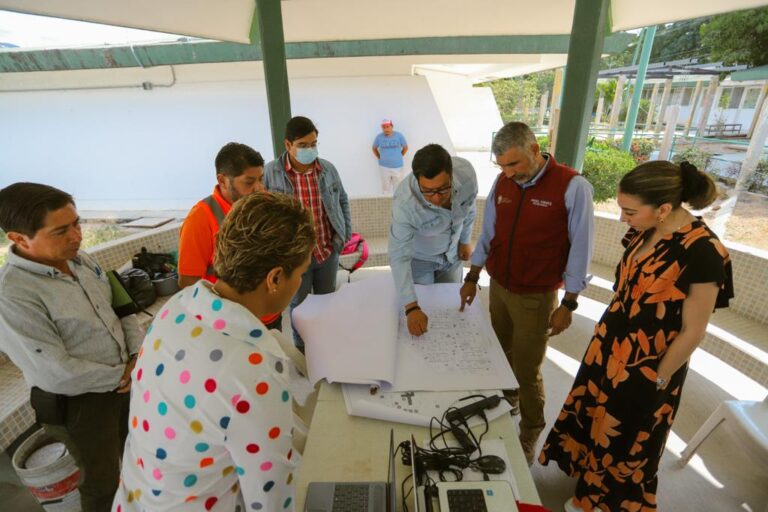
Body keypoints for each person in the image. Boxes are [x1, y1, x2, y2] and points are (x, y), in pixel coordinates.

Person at [539, 160, 734, 512]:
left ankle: (600, 501)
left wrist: (656, 378)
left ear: (662, 209)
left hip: (649, 363)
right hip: (610, 348)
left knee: (626, 436)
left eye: (629, 211)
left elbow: (694, 330)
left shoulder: (702, 251)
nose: (622, 219)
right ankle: (588, 480)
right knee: (596, 417)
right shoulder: (647, 230)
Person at [113, 192, 316, 512]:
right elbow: (270, 499)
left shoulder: (178, 307)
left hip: (139, 498)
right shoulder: (253, 371)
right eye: (301, 272)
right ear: (275, 278)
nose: (301, 280)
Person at [0, 182, 142, 512]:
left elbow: (121, 309)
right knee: (100, 481)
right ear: (20, 239)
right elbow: (56, 372)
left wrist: (136, 357)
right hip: (80, 404)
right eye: (61, 230)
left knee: (137, 454)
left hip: (124, 380)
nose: (76, 236)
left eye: (77, 223)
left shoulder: (82, 260)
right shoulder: (14, 294)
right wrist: (121, 374)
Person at [459, 121, 595, 464]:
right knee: (499, 351)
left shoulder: (572, 186)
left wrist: (570, 302)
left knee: (527, 368)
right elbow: (488, 230)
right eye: (502, 165)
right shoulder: (504, 181)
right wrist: (473, 276)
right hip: (500, 286)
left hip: (536, 294)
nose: (508, 172)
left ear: (535, 150)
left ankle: (531, 430)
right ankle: (509, 401)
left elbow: (581, 246)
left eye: (514, 164)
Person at [264, 116, 352, 351]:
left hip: (326, 252)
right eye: (302, 145)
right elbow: (263, 211)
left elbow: (342, 200)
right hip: (293, 258)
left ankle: (325, 346)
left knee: (326, 302)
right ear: (287, 145)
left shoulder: (327, 169)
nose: (309, 149)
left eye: (313, 144)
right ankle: (303, 350)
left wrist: (343, 235)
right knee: (300, 308)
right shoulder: (271, 172)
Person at [177, 142, 281, 330]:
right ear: (223, 180)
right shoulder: (200, 218)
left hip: (269, 315)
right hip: (230, 323)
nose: (259, 188)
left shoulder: (263, 204)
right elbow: (188, 282)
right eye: (249, 182)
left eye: (261, 179)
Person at [389, 143, 478, 336]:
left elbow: (470, 209)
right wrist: (412, 308)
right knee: (425, 312)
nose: (436, 198)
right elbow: (398, 256)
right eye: (427, 191)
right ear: (417, 180)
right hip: (420, 261)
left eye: (443, 189)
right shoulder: (405, 204)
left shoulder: (467, 175)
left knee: (452, 309)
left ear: (452, 174)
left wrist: (465, 240)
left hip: (452, 257)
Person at [372, 119, 409, 194]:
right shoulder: (379, 137)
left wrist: (400, 156)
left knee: (399, 187)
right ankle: (386, 203)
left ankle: (398, 204)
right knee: (385, 188)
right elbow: (374, 148)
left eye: (388, 127)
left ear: (392, 126)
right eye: (384, 127)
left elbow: (405, 147)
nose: (386, 129)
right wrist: (379, 157)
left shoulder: (399, 136)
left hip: (398, 166)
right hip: (384, 167)